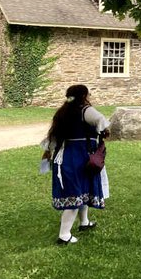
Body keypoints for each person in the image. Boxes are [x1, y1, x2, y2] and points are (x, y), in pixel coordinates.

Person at [41, 84, 110, 245]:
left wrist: (47, 156)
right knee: (74, 196)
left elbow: (52, 139)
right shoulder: (85, 110)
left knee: (82, 191)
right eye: (88, 95)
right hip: (77, 158)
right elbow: (101, 120)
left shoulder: (63, 112)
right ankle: (64, 235)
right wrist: (104, 130)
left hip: (66, 157)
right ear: (84, 96)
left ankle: (84, 222)